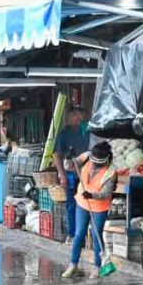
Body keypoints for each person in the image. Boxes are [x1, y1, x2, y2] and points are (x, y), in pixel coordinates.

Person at [61, 141, 116, 280]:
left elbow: (106, 193)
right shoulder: (86, 157)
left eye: (98, 164)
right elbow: (70, 167)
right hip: (82, 202)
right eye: (94, 161)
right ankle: (73, 265)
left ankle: (97, 267)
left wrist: (92, 195)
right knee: (79, 234)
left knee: (96, 234)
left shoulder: (111, 172)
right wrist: (68, 158)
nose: (94, 165)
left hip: (99, 207)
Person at [53, 104, 91, 243]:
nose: (78, 117)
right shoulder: (64, 134)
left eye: (80, 113)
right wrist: (62, 175)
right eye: (75, 114)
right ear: (69, 116)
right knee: (72, 205)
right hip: (70, 175)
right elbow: (56, 155)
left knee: (87, 204)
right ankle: (73, 234)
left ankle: (85, 236)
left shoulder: (87, 131)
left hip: (87, 175)